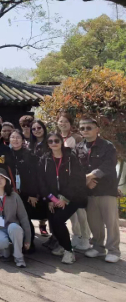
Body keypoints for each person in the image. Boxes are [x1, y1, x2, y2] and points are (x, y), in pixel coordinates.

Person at [75, 118, 121, 263]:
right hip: (90, 191)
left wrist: (90, 176)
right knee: (94, 222)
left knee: (111, 222)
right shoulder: (79, 147)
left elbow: (109, 164)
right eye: (82, 128)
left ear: (97, 129)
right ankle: (98, 247)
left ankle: (113, 250)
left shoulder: (107, 146)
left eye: (89, 128)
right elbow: (76, 168)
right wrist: (86, 182)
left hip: (106, 189)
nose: (85, 130)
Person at [38, 132, 87, 264]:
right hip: (53, 198)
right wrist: (51, 199)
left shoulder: (71, 158)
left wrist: (65, 198)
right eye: (50, 141)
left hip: (73, 197)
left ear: (61, 142)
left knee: (58, 219)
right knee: (53, 221)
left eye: (56, 141)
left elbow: (78, 180)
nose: (54, 143)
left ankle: (68, 251)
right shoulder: (44, 159)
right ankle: (62, 245)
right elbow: (42, 182)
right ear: (47, 144)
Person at [8, 129, 46, 254]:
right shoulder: (7, 154)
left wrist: (33, 194)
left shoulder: (30, 154)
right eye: (12, 137)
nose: (15, 140)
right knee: (14, 218)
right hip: (11, 192)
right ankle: (17, 243)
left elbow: (36, 176)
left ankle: (29, 243)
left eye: (18, 137)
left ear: (23, 140)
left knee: (25, 218)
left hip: (27, 193)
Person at [57, 113, 90, 252]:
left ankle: (86, 237)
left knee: (80, 210)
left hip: (75, 178)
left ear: (70, 123)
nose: (63, 123)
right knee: (71, 212)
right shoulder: (57, 137)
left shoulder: (77, 138)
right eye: (60, 121)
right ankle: (76, 235)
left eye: (65, 121)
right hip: (62, 178)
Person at [0, 168, 31, 268]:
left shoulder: (14, 196)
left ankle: (19, 257)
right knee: (0, 242)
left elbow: (23, 217)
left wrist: (28, 239)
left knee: (14, 228)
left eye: (2, 178)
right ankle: (5, 249)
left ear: (7, 180)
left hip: (13, 227)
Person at [29, 119, 50, 236]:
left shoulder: (49, 142)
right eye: (34, 129)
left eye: (39, 128)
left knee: (47, 203)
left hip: (47, 177)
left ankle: (43, 225)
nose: (36, 130)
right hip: (34, 177)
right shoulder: (30, 144)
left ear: (44, 128)